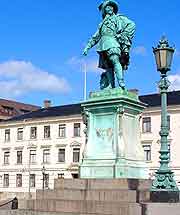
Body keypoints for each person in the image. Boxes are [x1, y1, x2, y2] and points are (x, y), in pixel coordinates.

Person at [83, 0, 135, 89]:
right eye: (107, 7)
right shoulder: (101, 24)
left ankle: (121, 82)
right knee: (108, 66)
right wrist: (87, 47)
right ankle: (112, 85)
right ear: (104, 10)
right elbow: (95, 37)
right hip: (103, 45)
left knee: (115, 60)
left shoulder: (118, 18)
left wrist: (123, 35)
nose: (110, 8)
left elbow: (132, 24)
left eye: (111, 7)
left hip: (113, 42)